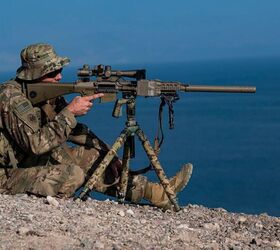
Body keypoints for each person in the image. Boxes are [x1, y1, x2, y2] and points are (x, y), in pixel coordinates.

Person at [0, 43, 193, 209]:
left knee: (97, 157)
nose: (59, 76)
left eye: (59, 70)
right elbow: (35, 144)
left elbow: (74, 131)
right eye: (53, 72)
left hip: (30, 162)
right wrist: (70, 112)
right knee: (73, 175)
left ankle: (157, 194)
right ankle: (56, 209)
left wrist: (107, 151)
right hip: (7, 173)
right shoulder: (12, 98)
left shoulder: (46, 93)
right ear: (36, 74)